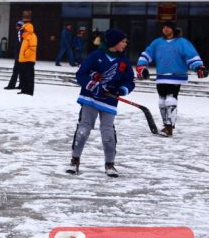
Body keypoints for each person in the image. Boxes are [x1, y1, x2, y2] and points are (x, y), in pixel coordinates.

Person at [66, 28, 135, 177]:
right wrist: (92, 85)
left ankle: (110, 164)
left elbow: (130, 81)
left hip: (109, 102)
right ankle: (75, 160)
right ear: (114, 42)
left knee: (108, 134)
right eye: (123, 41)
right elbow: (81, 74)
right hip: (90, 99)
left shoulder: (123, 62)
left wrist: (121, 90)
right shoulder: (96, 56)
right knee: (83, 131)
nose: (125, 44)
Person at [136, 21, 207, 137]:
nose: (165, 29)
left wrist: (199, 67)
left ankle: (169, 127)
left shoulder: (183, 42)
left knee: (170, 100)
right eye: (163, 27)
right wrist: (141, 68)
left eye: (168, 27)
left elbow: (191, 56)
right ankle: (166, 125)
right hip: (161, 77)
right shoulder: (157, 42)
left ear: (174, 29)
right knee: (162, 102)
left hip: (176, 77)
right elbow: (146, 55)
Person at [17, 22, 38, 96]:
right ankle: (24, 89)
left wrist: (25, 55)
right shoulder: (25, 37)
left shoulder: (32, 36)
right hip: (23, 60)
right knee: (23, 76)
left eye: (24, 29)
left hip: (29, 60)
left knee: (29, 76)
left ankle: (29, 90)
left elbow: (32, 48)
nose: (22, 30)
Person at [4, 20, 24, 90]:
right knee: (21, 71)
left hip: (19, 56)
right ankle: (22, 85)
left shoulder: (20, 33)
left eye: (17, 25)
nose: (16, 27)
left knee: (15, 71)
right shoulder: (24, 33)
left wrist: (18, 55)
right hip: (22, 56)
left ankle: (11, 85)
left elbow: (19, 45)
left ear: (19, 26)